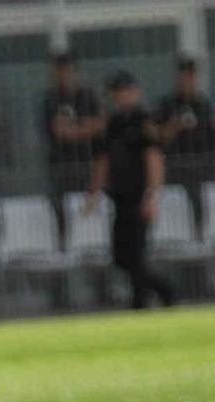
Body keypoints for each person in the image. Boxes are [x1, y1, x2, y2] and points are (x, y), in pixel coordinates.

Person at [89, 72, 177, 310]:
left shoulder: (143, 121)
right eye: (118, 93)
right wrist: (94, 193)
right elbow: (103, 159)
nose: (122, 97)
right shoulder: (113, 123)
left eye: (126, 91)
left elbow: (154, 159)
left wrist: (151, 196)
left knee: (136, 253)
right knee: (121, 255)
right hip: (119, 197)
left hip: (139, 196)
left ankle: (146, 300)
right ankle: (159, 293)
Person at [41, 51, 104, 246]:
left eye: (68, 71)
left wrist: (75, 129)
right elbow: (59, 131)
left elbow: (102, 124)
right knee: (62, 219)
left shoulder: (87, 97)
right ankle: (62, 250)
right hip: (62, 169)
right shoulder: (50, 100)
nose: (64, 76)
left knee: (93, 224)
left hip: (88, 167)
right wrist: (85, 128)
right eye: (59, 71)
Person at [155, 55, 213, 232]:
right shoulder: (168, 103)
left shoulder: (204, 103)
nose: (187, 80)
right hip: (177, 162)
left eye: (191, 76)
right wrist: (175, 125)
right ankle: (197, 230)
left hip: (204, 160)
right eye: (184, 76)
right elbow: (159, 136)